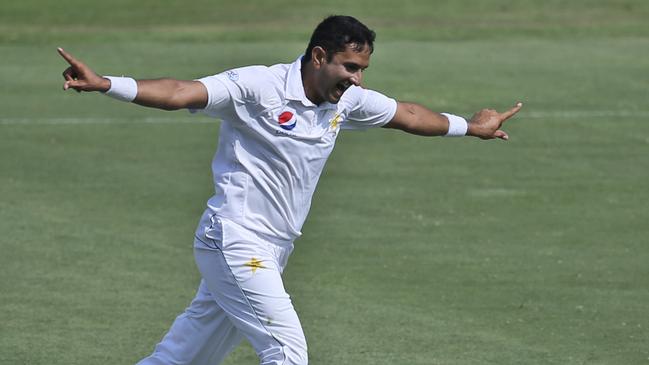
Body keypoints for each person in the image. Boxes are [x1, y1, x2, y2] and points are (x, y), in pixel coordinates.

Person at [58, 15, 521, 365]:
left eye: (362, 69)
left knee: (181, 358)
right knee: (287, 353)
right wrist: (106, 85)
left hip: (273, 249)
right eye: (350, 67)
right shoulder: (259, 86)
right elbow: (181, 91)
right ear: (319, 57)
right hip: (235, 239)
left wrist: (471, 127)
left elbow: (409, 115)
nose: (357, 79)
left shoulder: (347, 99)